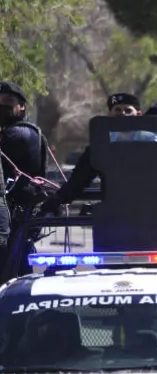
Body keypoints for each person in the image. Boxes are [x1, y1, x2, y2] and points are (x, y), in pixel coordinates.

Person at [40, 92, 144, 213]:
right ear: (110, 114)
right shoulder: (101, 146)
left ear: (138, 114)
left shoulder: (153, 140)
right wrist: (56, 200)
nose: (122, 114)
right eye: (118, 110)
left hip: (153, 209)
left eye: (128, 110)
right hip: (116, 212)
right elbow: (79, 179)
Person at [0, 81, 50, 252]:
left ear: (21, 106)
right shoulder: (24, 130)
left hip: (14, 214)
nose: (2, 106)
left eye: (7, 102)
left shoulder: (16, 134)